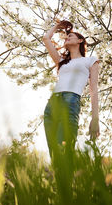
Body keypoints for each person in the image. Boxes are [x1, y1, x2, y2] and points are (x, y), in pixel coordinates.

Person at [43, 20, 100, 160]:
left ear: (80, 40)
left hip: (71, 102)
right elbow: (46, 38)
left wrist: (95, 118)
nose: (67, 38)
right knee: (54, 153)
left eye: (71, 36)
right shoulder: (61, 61)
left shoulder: (90, 61)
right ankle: (59, 180)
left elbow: (94, 89)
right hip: (52, 104)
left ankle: (69, 180)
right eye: (66, 37)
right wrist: (57, 26)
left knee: (64, 150)